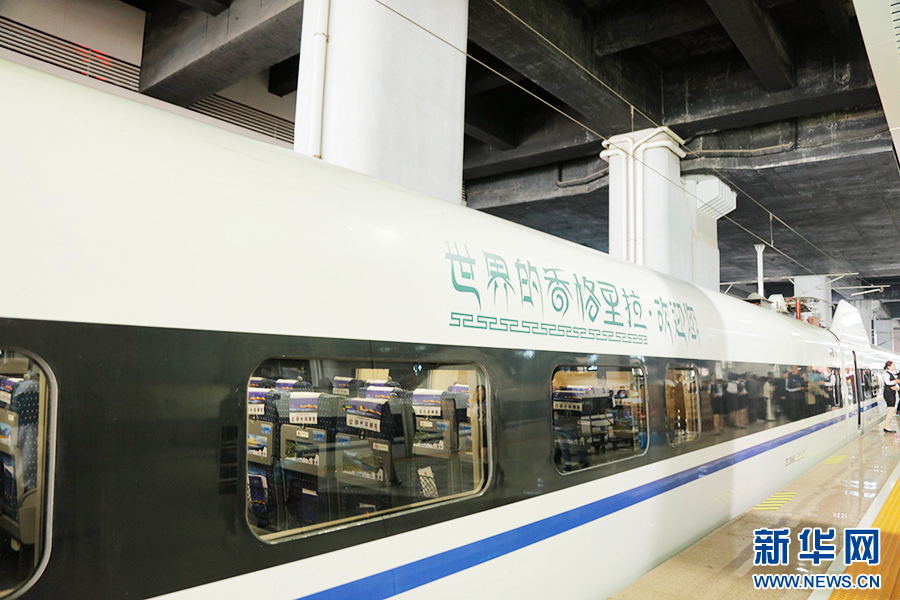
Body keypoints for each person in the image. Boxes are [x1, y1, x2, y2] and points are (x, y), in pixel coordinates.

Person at [882, 362, 899, 433]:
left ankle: (887, 426)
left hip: (892, 393)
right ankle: (887, 427)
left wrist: (897, 386)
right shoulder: (886, 374)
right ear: (888, 367)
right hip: (888, 393)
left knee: (892, 410)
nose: (894, 366)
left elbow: (895, 384)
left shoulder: (892, 374)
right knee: (891, 410)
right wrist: (895, 381)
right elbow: (887, 382)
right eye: (893, 365)